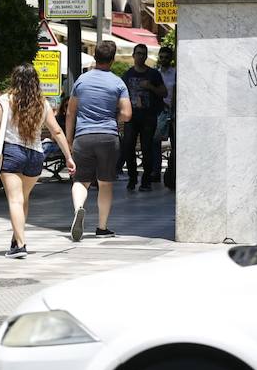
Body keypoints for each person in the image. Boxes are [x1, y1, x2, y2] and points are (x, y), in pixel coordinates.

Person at [0, 64, 75, 258]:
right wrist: (68, 157)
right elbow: (57, 131)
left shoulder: (5, 100)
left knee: (15, 200)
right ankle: (15, 240)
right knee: (23, 199)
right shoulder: (42, 103)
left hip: (12, 152)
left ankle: (20, 245)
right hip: (35, 155)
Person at [66, 41, 132, 241]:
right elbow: (127, 114)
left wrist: (69, 139)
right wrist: (114, 117)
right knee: (105, 184)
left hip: (83, 137)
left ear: (95, 57)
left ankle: (79, 208)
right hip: (108, 137)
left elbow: (70, 112)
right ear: (112, 60)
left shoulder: (81, 81)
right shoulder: (118, 83)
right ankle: (102, 227)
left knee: (80, 180)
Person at [121, 44, 167, 192]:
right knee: (128, 147)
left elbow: (164, 92)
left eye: (143, 54)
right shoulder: (127, 74)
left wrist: (151, 87)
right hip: (131, 118)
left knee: (147, 148)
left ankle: (146, 180)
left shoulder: (153, 74)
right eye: (138, 53)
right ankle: (132, 178)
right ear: (133, 55)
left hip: (148, 117)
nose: (141, 56)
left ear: (146, 56)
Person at [151, 46, 177, 183]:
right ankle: (156, 171)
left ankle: (173, 171)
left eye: (166, 57)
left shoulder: (176, 73)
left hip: (174, 111)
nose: (163, 60)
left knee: (175, 142)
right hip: (160, 110)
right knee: (156, 141)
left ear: (171, 59)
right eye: (161, 57)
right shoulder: (156, 73)